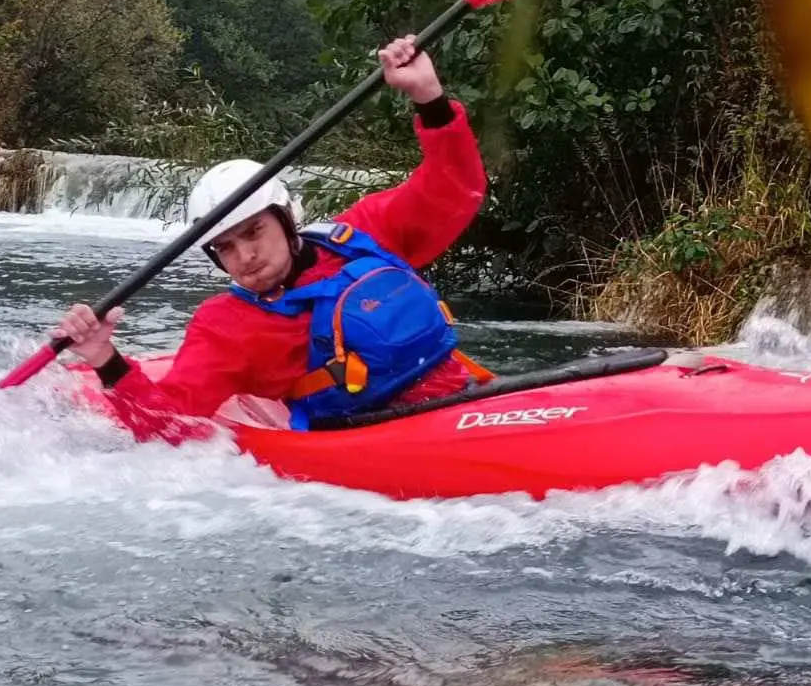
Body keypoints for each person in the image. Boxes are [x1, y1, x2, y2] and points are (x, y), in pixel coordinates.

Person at [52, 35, 488, 442]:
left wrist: (429, 98)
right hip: (373, 438)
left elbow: (454, 188)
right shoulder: (227, 327)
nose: (244, 256)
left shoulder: (362, 234)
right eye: (224, 247)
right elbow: (169, 424)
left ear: (286, 218)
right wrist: (104, 358)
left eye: (253, 231)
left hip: (466, 396)